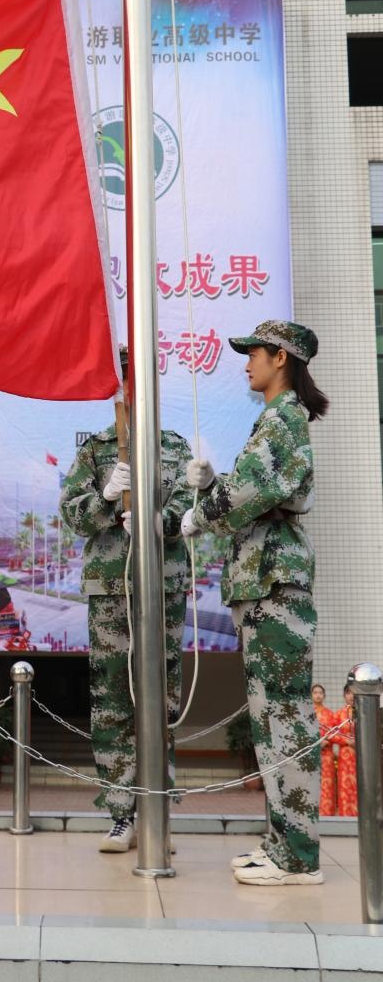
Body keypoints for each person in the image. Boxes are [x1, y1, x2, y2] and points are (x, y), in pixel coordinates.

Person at [182, 320, 328, 886]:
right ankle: (283, 843)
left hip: (272, 579)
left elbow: (251, 488)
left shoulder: (280, 417)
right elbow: (256, 484)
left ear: (281, 358)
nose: (247, 364)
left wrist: (204, 510)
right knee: (272, 720)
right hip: (264, 578)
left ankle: (297, 857)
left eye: (254, 355)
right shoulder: (280, 419)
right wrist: (218, 484)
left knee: (283, 718)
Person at [60, 346, 193, 852]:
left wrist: (164, 518)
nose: (130, 384)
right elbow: (73, 516)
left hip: (162, 583)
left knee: (163, 700)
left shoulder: (173, 447)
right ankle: (121, 814)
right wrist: (106, 498)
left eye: (137, 374)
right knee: (112, 699)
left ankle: (156, 808)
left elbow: (189, 506)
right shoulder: (97, 450)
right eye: (123, 376)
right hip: (112, 585)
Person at [312, 683, 337, 817]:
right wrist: (315, 743)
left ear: (324, 696)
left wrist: (326, 741)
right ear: (311, 696)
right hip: (310, 756)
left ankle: (327, 815)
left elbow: (336, 733)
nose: (318, 695)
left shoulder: (330, 714)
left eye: (320, 693)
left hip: (326, 755)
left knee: (327, 786)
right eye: (315, 692)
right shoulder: (307, 715)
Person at [332, 685, 357, 817]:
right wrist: (346, 741)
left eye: (354, 693)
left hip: (363, 755)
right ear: (344, 696)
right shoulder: (338, 714)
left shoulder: (365, 713)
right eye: (348, 693)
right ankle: (346, 817)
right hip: (346, 756)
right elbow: (331, 734)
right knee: (345, 786)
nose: (351, 696)